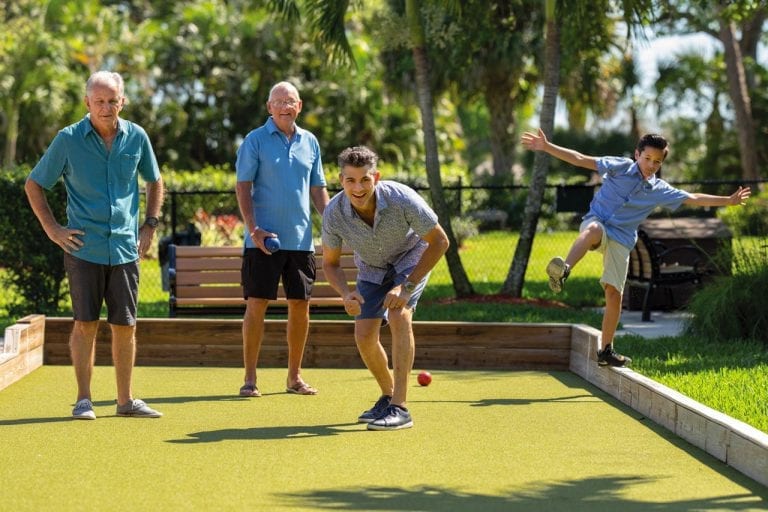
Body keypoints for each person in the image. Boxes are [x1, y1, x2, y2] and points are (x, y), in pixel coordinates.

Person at [521, 129, 751, 367]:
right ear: (637, 154)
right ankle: (564, 269)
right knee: (593, 230)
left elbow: (692, 198)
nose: (651, 165)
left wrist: (728, 200)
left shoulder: (659, 189)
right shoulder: (620, 166)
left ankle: (606, 351)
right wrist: (547, 147)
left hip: (621, 239)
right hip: (597, 222)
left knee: (614, 294)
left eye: (657, 161)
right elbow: (580, 159)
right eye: (647, 158)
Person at [25, 71, 165, 420]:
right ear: (87, 102)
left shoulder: (137, 137)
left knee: (126, 326)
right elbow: (34, 184)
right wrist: (53, 229)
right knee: (85, 324)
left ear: (123, 102)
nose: (106, 107)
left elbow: (155, 181)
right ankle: (83, 400)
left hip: (125, 248)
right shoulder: (68, 139)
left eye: (112, 100)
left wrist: (149, 225)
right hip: (84, 249)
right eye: (99, 101)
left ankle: (125, 402)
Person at [322, 146, 450, 430]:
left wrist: (406, 286)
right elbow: (330, 264)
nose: (358, 188)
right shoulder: (334, 213)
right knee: (364, 335)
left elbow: (440, 241)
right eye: (351, 180)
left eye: (365, 179)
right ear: (341, 180)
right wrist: (346, 293)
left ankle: (400, 408)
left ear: (376, 177)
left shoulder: (401, 198)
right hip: (372, 267)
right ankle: (388, 395)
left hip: (411, 259)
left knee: (398, 315)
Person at [235, 81, 330, 397]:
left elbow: (318, 189)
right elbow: (242, 186)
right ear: (269, 107)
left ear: (299, 106)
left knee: (300, 306)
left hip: (301, 242)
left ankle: (294, 378)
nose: (285, 107)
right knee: (256, 305)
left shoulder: (310, 141)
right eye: (279, 102)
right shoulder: (254, 140)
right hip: (263, 241)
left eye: (290, 101)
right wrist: (254, 229)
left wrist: (332, 223)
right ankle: (250, 379)